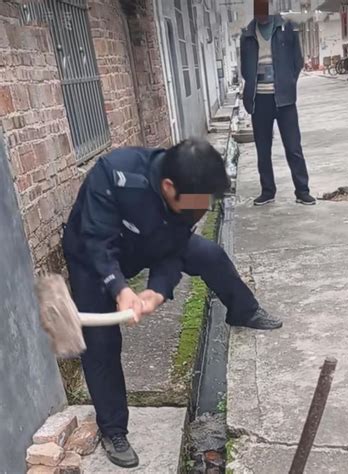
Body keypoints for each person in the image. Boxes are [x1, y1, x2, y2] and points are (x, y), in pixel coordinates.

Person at [62, 138, 282, 468]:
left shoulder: (190, 196)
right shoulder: (113, 174)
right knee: (100, 342)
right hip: (93, 258)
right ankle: (113, 429)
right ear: (168, 186)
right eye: (196, 205)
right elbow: (97, 244)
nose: (200, 211)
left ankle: (243, 310)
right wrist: (121, 290)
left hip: (149, 241)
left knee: (209, 254)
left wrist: (158, 289)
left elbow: (174, 247)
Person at [240, 11, 316, 206]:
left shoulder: (286, 28)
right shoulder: (247, 34)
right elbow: (244, 68)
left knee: (293, 147)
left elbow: (297, 61)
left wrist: (289, 82)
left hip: (284, 99)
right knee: (263, 150)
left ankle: (302, 191)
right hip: (260, 100)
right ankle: (267, 191)